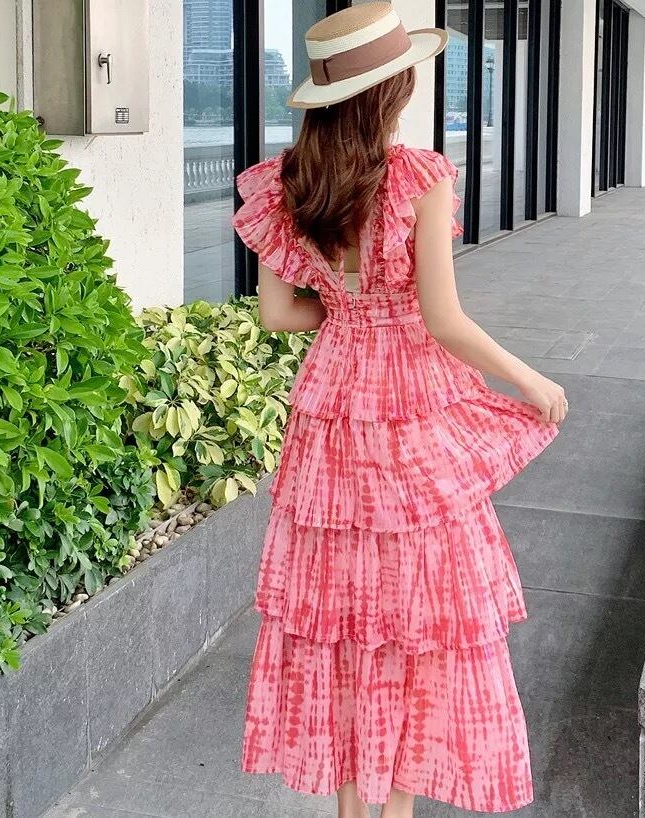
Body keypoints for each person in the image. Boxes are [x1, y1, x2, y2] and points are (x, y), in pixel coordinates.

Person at [231, 4, 567, 817]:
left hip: (332, 402)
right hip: (410, 403)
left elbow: (277, 314)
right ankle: (398, 810)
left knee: (343, 612)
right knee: (420, 610)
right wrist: (531, 382)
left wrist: (347, 311)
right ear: (392, 90)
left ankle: (354, 808)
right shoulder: (419, 177)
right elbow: (443, 320)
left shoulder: (286, 183)